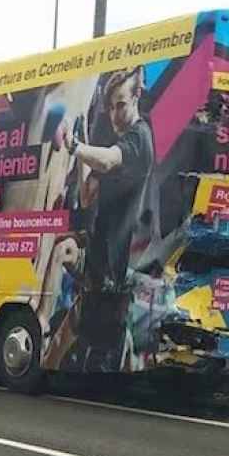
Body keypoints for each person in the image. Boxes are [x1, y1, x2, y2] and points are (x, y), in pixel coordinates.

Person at [55, 66, 154, 369]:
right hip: (99, 266)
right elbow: (87, 196)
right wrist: (84, 154)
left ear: (137, 96)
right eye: (110, 107)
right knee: (72, 349)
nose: (114, 114)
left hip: (115, 273)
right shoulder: (115, 144)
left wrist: (74, 145)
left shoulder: (138, 138)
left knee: (97, 358)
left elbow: (110, 159)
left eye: (121, 104)